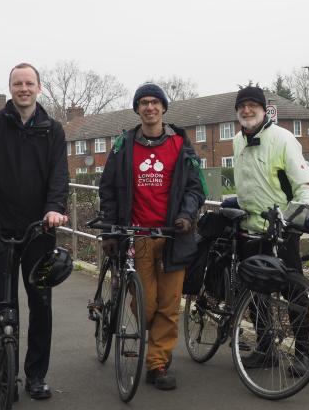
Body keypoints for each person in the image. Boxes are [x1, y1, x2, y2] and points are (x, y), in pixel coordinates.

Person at [0, 63, 69, 409]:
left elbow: (59, 175)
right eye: (17, 83)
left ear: (39, 88)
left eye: (29, 83)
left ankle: (36, 375)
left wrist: (54, 209)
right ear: (11, 88)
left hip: (39, 229)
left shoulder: (52, 130)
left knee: (40, 303)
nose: (23, 88)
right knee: (2, 307)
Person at [99, 83, 205, 391]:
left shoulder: (180, 145)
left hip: (174, 236)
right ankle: (152, 340)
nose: (149, 107)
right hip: (137, 236)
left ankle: (157, 364)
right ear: (137, 109)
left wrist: (186, 217)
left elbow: (195, 188)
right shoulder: (123, 146)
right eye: (143, 102)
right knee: (146, 306)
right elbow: (107, 189)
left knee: (169, 306)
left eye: (155, 102)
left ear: (163, 108)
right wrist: (110, 230)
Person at [225, 85, 309, 375]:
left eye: (252, 105)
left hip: (280, 230)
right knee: (253, 290)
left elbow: (305, 187)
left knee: (292, 291)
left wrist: (307, 219)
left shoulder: (283, 139)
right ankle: (266, 348)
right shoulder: (236, 141)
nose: (246, 110)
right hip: (249, 228)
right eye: (241, 106)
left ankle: (303, 353)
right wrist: (236, 201)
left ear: (263, 109)